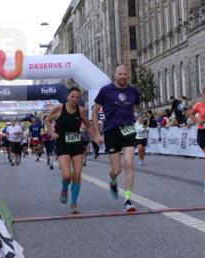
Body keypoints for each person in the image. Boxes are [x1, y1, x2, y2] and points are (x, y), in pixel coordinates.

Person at [92, 64, 142, 212]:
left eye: (125, 74)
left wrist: (140, 119)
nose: (123, 77)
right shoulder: (106, 91)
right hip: (111, 130)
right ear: (115, 75)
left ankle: (127, 200)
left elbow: (138, 106)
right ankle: (112, 179)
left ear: (128, 75)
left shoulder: (133, 91)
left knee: (129, 162)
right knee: (116, 169)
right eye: (120, 74)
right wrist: (96, 133)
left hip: (128, 128)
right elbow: (94, 110)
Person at [45, 87, 93, 214]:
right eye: (72, 96)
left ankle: (73, 203)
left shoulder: (81, 110)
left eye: (77, 97)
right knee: (67, 176)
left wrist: (97, 136)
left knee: (77, 176)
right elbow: (47, 120)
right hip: (62, 145)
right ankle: (65, 188)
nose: (75, 99)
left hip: (76, 144)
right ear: (67, 97)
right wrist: (51, 132)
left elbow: (88, 126)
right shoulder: (59, 108)